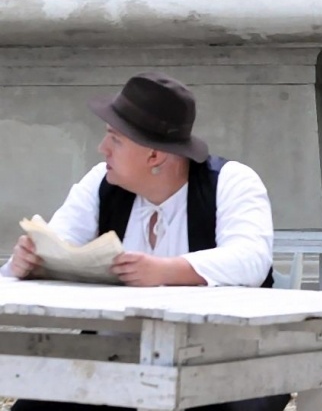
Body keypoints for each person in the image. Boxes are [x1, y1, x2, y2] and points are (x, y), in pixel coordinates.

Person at [2, 72, 285, 411]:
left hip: (222, 364)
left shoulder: (231, 181)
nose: (102, 148)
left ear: (155, 156)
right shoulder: (101, 182)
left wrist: (165, 270)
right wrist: (26, 263)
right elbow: (58, 242)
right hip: (114, 360)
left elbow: (251, 259)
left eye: (115, 139)